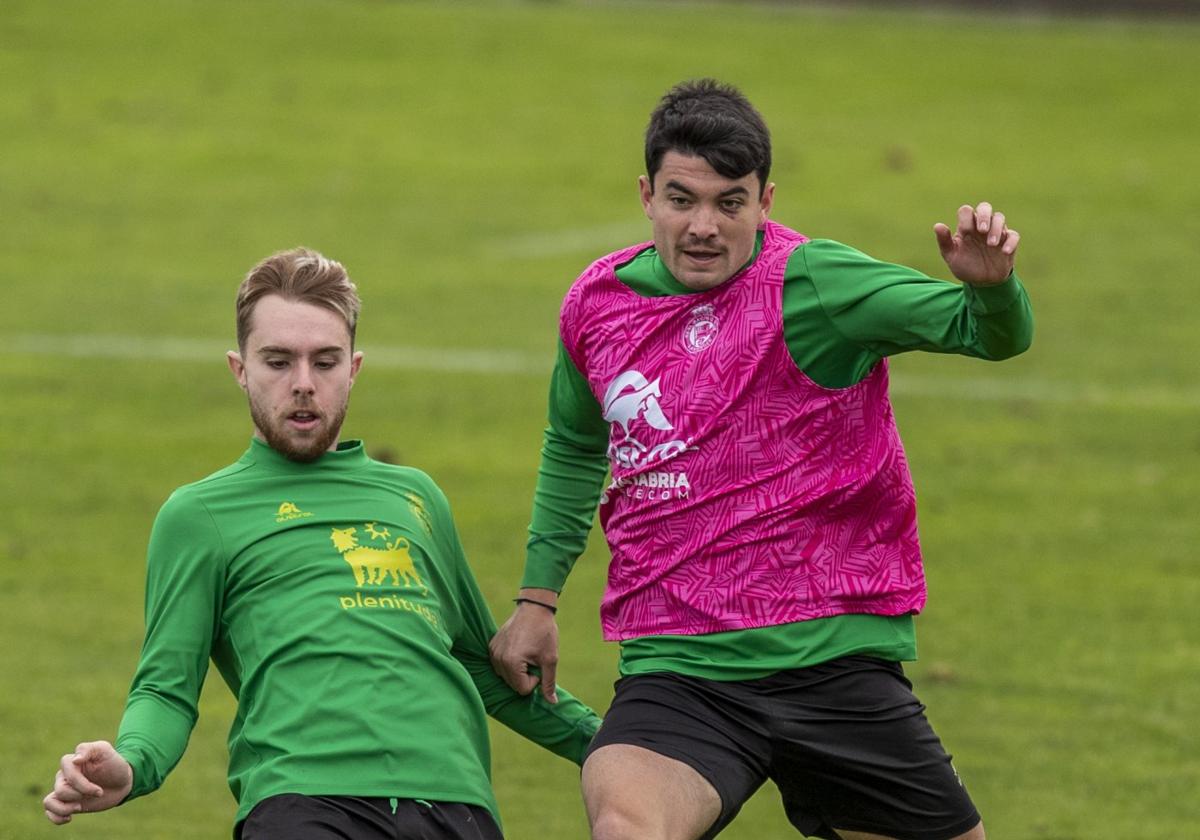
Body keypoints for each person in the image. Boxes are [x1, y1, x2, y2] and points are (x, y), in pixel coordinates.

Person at [489, 78, 1033, 840]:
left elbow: (990, 336)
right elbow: (577, 445)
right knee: (627, 826)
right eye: (683, 200)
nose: (704, 226)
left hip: (834, 664)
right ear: (647, 195)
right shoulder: (598, 303)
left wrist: (992, 290)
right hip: (679, 671)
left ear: (765, 201)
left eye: (730, 203)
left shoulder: (817, 283)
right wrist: (537, 601)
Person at [43, 248, 601, 839]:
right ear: (240, 369)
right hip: (304, 803)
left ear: (354, 368)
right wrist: (133, 762)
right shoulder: (199, 514)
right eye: (278, 362)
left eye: (325, 362)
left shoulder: (415, 498)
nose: (304, 384)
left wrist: (613, 743)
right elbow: (165, 687)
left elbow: (482, 664)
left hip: (456, 806)